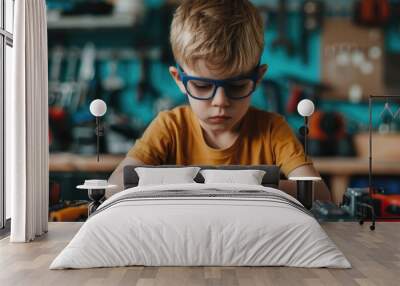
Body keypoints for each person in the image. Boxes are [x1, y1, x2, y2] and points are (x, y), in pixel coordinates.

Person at [107, 0, 330, 200]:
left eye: (237, 85)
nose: (220, 101)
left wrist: (232, 186)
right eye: (203, 86)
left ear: (258, 78)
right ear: (179, 79)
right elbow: (113, 188)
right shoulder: (169, 127)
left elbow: (320, 195)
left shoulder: (273, 130)